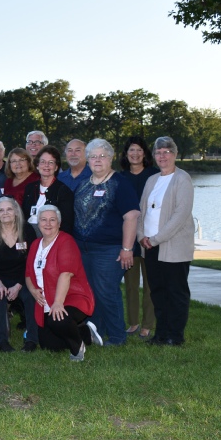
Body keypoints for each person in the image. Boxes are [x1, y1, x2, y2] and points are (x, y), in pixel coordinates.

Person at [73, 138, 140, 347]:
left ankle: (118, 336)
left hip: (109, 250)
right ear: (87, 160)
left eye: (102, 156)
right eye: (93, 156)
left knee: (107, 290)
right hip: (84, 249)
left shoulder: (120, 183)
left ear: (110, 158)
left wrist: (127, 249)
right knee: (92, 291)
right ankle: (97, 331)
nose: (97, 160)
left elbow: (131, 216)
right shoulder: (84, 184)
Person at [138, 137, 195, 347]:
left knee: (176, 293)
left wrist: (156, 239)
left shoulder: (183, 179)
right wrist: (141, 236)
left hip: (173, 247)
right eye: (158, 152)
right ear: (154, 156)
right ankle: (161, 335)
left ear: (175, 154)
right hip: (150, 246)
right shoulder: (152, 180)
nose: (162, 156)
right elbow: (142, 211)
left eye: (166, 152)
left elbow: (180, 215)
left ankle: (175, 336)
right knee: (158, 292)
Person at [25, 205, 101, 361]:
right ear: (38, 223)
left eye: (52, 220)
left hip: (72, 297)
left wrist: (58, 303)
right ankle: (86, 332)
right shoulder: (35, 245)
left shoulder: (66, 241)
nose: (48, 224)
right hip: (46, 301)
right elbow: (27, 274)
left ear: (59, 223)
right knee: (49, 345)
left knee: (57, 319)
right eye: (44, 220)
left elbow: (66, 274)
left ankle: (77, 350)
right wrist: (32, 290)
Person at [0, 196, 38, 352]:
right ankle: (2, 341)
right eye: (1, 210)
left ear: (15, 211)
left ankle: (32, 339)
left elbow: (31, 261)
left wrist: (19, 285)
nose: (5, 213)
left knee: (29, 296)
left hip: (23, 276)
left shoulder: (27, 230)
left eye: (9, 209)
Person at [120, 136, 160, 338]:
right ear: (126, 155)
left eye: (139, 150)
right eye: (131, 151)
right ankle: (133, 322)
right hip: (128, 238)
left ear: (145, 153)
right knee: (131, 285)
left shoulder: (155, 176)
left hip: (149, 236)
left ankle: (147, 324)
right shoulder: (120, 177)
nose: (135, 154)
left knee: (151, 284)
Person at [22, 146, 75, 235]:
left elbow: (66, 225)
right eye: (43, 162)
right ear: (37, 166)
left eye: (51, 162)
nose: (46, 165)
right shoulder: (30, 188)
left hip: (50, 237)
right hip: (27, 234)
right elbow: (24, 216)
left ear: (56, 167)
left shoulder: (64, 192)